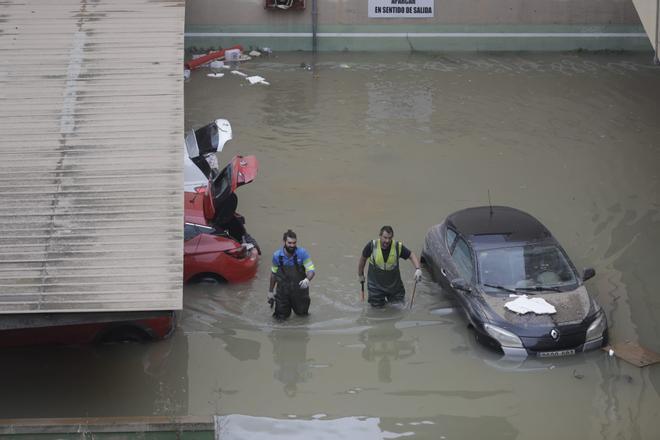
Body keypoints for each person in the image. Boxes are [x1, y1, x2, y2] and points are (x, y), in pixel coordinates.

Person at [358, 225, 422, 307]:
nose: (387, 241)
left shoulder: (397, 247)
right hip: (376, 287)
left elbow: (411, 255)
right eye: (385, 237)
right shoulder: (372, 246)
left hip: (394, 287)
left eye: (389, 238)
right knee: (376, 312)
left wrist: (418, 269)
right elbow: (362, 260)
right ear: (380, 236)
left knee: (398, 309)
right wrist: (360, 275)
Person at [268, 230, 316, 320]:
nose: (292, 245)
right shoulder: (277, 256)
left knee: (302, 317)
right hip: (282, 292)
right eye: (289, 243)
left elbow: (311, 270)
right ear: (284, 242)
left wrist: (307, 280)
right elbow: (273, 274)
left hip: (300, 291)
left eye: (294, 243)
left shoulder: (302, 253)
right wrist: (270, 292)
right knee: (280, 319)